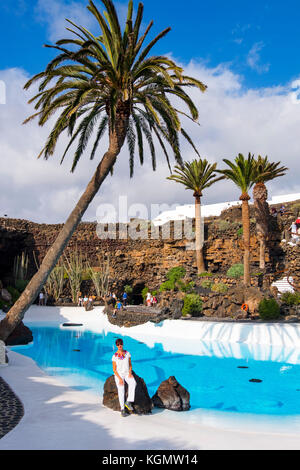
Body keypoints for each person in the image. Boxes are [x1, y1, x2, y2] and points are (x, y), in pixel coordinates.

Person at [112, 338, 136, 417]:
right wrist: (119, 379)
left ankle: (128, 402)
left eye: (121, 344)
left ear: (123, 344)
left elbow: (130, 364)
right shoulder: (114, 356)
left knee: (133, 383)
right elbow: (114, 369)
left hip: (126, 373)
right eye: (118, 344)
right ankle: (122, 409)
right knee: (121, 388)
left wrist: (130, 372)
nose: (120, 346)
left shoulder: (127, 353)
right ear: (116, 346)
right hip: (119, 374)